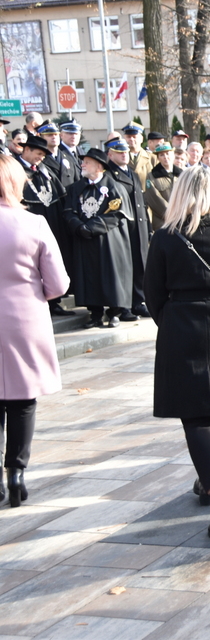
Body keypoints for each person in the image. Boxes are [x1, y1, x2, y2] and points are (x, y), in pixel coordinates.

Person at [144, 167, 210, 538]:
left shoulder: (165, 238)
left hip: (180, 322)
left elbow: (152, 293)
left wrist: (172, 321)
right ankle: (208, 482)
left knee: (194, 414)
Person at [0, 154, 71, 508]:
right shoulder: (35, 223)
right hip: (24, 319)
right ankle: (16, 471)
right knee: (23, 400)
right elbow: (58, 284)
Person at [63, 148, 134, 329]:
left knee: (111, 275)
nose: (82, 164)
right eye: (83, 161)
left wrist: (92, 227)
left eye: (87, 162)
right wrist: (78, 227)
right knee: (89, 277)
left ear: (99, 166)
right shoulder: (76, 189)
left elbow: (117, 215)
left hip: (108, 242)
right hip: (84, 241)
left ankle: (114, 313)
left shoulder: (115, 187)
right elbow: (68, 211)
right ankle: (94, 314)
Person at [18, 134, 72, 317]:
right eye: (38, 154)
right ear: (26, 150)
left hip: (51, 224)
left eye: (43, 155)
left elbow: (60, 196)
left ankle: (54, 302)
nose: (41, 158)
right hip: (26, 225)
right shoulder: (15, 170)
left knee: (49, 262)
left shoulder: (45, 170)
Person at [106, 139, 152, 320]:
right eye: (119, 152)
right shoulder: (109, 174)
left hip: (138, 227)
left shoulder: (131, 173)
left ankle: (137, 302)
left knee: (139, 265)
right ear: (110, 155)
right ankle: (123, 306)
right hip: (123, 228)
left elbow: (141, 203)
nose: (124, 154)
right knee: (124, 268)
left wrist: (147, 227)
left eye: (125, 151)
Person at [145, 145, 181, 231]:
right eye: (161, 155)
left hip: (182, 220)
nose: (165, 157)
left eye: (168, 154)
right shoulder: (152, 176)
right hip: (162, 222)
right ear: (158, 158)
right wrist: (171, 213)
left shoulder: (182, 174)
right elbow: (154, 199)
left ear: (173, 155)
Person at [123, 123, 154, 189]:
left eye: (134, 137)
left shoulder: (153, 158)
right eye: (128, 137)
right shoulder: (120, 158)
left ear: (141, 139)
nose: (131, 139)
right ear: (124, 139)